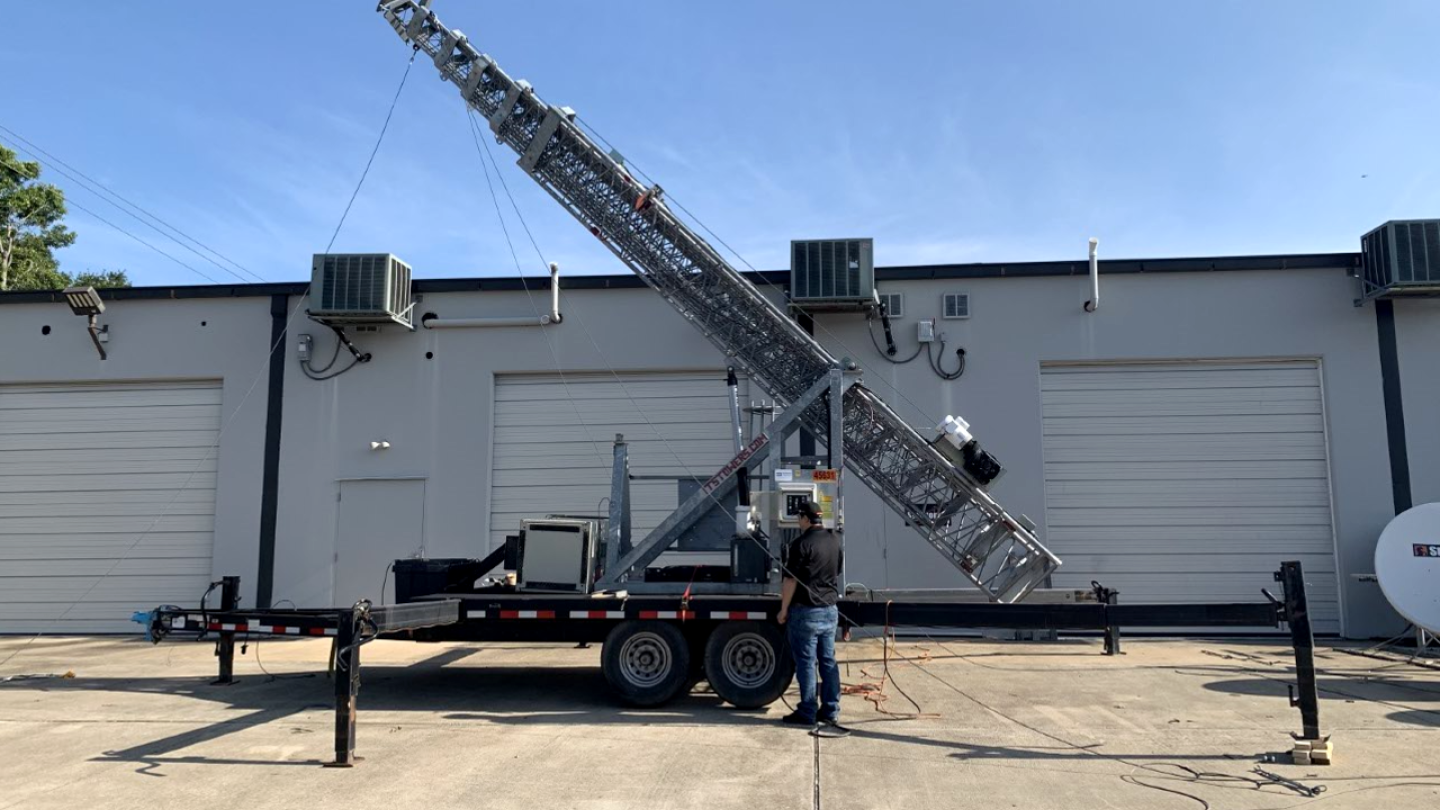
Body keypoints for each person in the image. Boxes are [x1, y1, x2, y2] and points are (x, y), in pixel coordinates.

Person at [777, 500, 846, 732]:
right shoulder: (834, 540)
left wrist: (783, 609)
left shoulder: (801, 544)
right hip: (830, 610)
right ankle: (830, 710)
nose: (798, 521)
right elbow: (836, 571)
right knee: (828, 662)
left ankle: (807, 711)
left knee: (806, 663)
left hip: (806, 612)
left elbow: (790, 580)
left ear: (806, 518)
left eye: (799, 517)